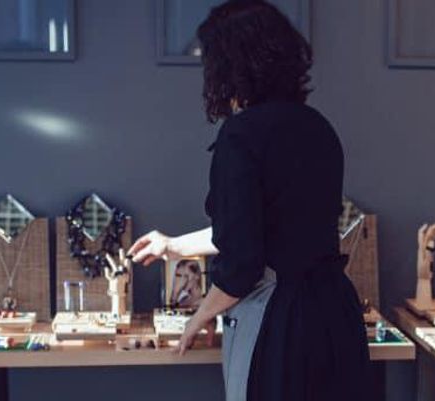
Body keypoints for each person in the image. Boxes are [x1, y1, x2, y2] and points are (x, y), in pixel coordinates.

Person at [127, 1, 372, 399]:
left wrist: (201, 315)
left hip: (280, 328)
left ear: (229, 65)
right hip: (335, 318)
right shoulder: (317, 127)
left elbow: (243, 262)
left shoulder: (241, 135)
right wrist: (173, 246)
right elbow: (266, 229)